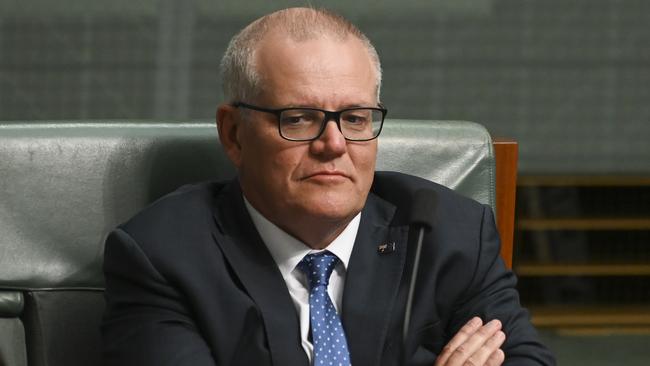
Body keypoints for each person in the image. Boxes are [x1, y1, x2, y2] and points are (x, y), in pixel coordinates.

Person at [101, 7, 555, 366]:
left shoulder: (450, 233)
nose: (334, 144)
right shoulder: (163, 255)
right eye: (298, 118)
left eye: (355, 118)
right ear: (234, 134)